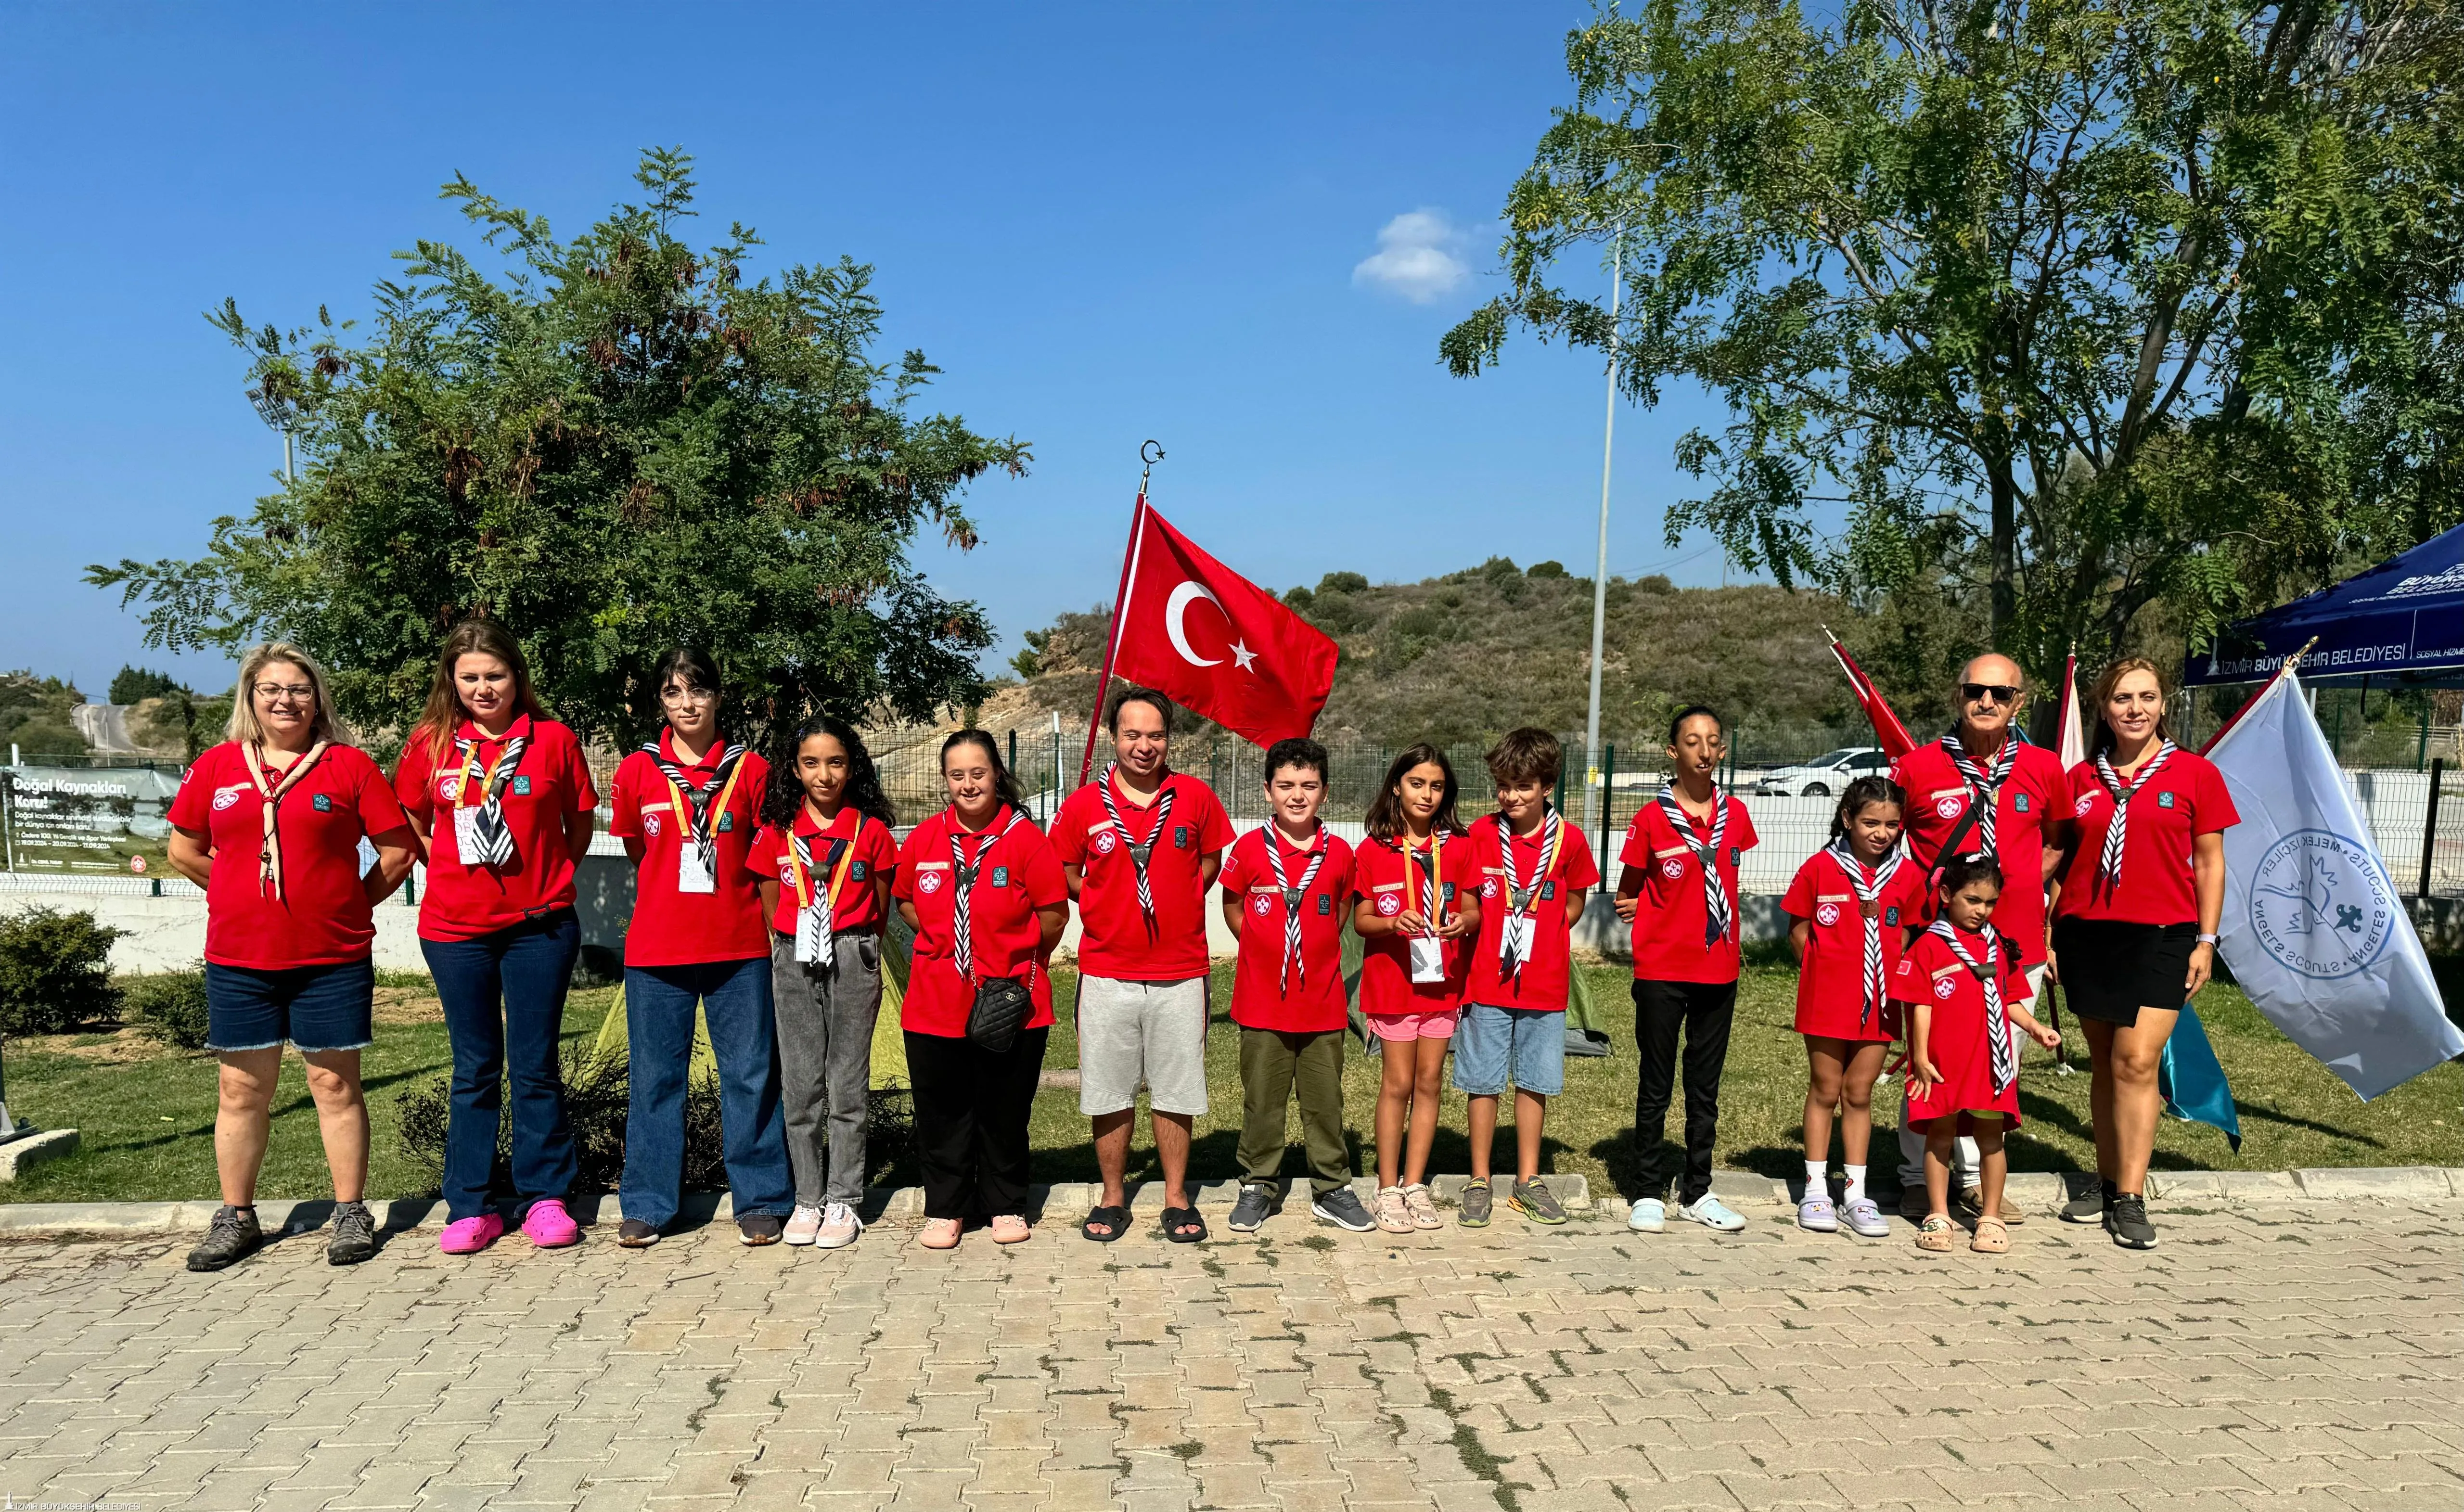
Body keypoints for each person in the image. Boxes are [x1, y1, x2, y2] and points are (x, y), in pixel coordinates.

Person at [167, 643, 419, 1272]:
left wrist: (347, 906)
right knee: (240, 1089)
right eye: (271, 689)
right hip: (240, 958)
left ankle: (351, 1211)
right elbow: (184, 850)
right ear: (250, 698)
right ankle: (237, 1216)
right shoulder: (217, 767)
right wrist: (238, 894)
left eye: (299, 689)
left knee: (334, 1083)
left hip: (329, 958)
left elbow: (398, 853)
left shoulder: (349, 767)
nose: (285, 700)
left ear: (318, 700)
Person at [393, 620, 599, 1256]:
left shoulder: (553, 740)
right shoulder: (430, 745)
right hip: (456, 932)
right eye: (471, 677)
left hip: (538, 927)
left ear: (518, 678)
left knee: (535, 1066)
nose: (484, 688)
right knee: (475, 1068)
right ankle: (472, 1206)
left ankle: (545, 1198)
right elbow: (412, 817)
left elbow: (579, 823)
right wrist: (449, 866)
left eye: (496, 675)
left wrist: (542, 876)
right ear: (452, 681)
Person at [2047, 657, 2236, 1250]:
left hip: (2164, 934)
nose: (2135, 709)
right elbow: (2057, 863)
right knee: (2104, 1064)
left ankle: (2130, 1196)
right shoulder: (2078, 779)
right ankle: (2106, 1182)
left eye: (2146, 697)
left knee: (2137, 1062)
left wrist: (2207, 940)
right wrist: (2047, 932)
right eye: (2122, 698)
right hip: (2084, 933)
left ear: (2162, 704)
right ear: (2103, 708)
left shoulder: (2194, 774)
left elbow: (2208, 862)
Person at [607, 649, 793, 1249]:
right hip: (657, 952)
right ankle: (649, 1203)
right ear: (660, 701)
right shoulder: (637, 770)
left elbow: (765, 861)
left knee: (749, 1075)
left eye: (698, 691)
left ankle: (760, 1198)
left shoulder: (754, 771)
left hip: (738, 948)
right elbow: (641, 852)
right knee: (657, 1080)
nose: (686, 704)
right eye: (672, 692)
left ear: (718, 696)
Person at [1886, 653, 2069, 1221]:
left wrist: (2010, 888)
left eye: (1999, 692)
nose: (1985, 701)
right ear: (1956, 695)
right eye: (1974, 690)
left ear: (2019, 702)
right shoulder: (1916, 768)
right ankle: (1918, 1174)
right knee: (1933, 1060)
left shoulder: (2043, 768)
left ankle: (1971, 1176)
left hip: (2011, 948)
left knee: (1995, 1062)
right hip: (1936, 947)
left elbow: (2059, 841)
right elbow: (1890, 847)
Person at [1052, 688, 1233, 1244]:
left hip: (1180, 972)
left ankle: (1176, 1198)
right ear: (1113, 737)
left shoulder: (1194, 796)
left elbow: (1209, 861)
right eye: (1132, 734)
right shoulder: (1084, 804)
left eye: (1155, 735)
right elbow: (1066, 871)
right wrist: (1109, 904)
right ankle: (1113, 1196)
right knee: (1108, 1089)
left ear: (1168, 739)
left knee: (1177, 1089)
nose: (1144, 745)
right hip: (1106, 971)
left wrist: (1172, 900)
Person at [894, 730, 1069, 1250]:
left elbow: (1054, 914)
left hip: (1009, 1002)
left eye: (978, 772)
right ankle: (945, 1207)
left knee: (1003, 1110)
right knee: (941, 1111)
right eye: (957, 775)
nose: (968, 784)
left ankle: (1005, 1203)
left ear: (996, 774)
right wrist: (937, 934)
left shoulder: (1025, 840)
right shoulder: (925, 839)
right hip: (934, 1002)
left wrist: (1017, 953)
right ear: (945, 780)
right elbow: (904, 899)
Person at [748, 715, 899, 1250]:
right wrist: (792, 940)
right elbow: (771, 898)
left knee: (847, 1082)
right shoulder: (776, 832)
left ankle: (844, 1198)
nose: (824, 774)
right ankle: (807, 1198)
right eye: (811, 763)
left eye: (835, 762)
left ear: (851, 766)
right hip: (792, 954)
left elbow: (880, 906)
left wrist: (852, 942)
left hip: (852, 950)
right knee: (801, 1083)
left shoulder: (870, 831)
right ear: (794, 768)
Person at [1222, 738, 1371, 1234]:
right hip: (1262, 1001)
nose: (1296, 795)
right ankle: (1257, 1182)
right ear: (1267, 790)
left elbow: (1342, 910)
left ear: (1324, 792)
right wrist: (1266, 948)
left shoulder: (1340, 854)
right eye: (1285, 785)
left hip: (1322, 1003)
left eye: (1308, 786)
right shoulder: (1247, 850)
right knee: (1262, 1099)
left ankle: (1331, 1186)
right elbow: (1232, 906)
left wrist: (1311, 948)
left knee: (1324, 1100)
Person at [1618, 705, 1758, 1235]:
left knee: (1704, 1085)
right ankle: (1647, 1188)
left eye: (1713, 741)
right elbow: (1627, 892)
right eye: (1692, 742)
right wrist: (1650, 910)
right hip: (1661, 969)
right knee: (1655, 1081)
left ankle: (1697, 1190)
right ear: (1672, 753)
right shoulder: (1650, 818)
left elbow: (1725, 875)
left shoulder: (1736, 815)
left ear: (1722, 751)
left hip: (1718, 969)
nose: (1704, 751)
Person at [1455, 728, 1597, 1228]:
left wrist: (1545, 926)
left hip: (1544, 984)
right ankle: (1478, 1179)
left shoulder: (1570, 840)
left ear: (1546, 786)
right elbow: (1469, 898)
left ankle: (1526, 1180)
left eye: (1522, 786)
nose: (1510, 796)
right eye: (1502, 785)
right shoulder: (1478, 835)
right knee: (1482, 1081)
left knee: (1534, 1082)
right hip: (1486, 984)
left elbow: (1575, 899)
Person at [1894, 854, 2061, 1255]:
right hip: (1943, 1064)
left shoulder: (1999, 945)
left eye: (1989, 902)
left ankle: (1990, 1217)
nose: (1981, 910)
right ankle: (1938, 1213)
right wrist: (1919, 1056)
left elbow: (2011, 998)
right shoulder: (1929, 946)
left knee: (1991, 1138)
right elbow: (1921, 1006)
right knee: (1940, 1134)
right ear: (1947, 895)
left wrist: (2036, 1028)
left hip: (1991, 1066)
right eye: (1972, 900)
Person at [1781, 776, 1924, 1239]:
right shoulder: (1821, 868)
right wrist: (1826, 970)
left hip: (1881, 1005)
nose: (1881, 833)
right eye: (1870, 823)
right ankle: (1816, 1187)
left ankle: (1856, 1192)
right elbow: (1798, 930)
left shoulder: (1907, 876)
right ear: (1847, 819)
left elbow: (1906, 934)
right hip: (1826, 1000)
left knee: (1860, 1094)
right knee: (1825, 1088)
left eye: (1891, 824)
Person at [1351, 744, 1480, 1234]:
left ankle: (1414, 1184)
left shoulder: (1460, 846)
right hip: (1393, 987)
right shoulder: (1373, 849)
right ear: (1396, 787)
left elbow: (1473, 910)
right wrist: (1390, 920)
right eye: (1417, 784)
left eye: (1436, 786)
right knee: (1397, 1084)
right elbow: (1361, 921)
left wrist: (1460, 922)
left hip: (1442, 987)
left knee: (1429, 1084)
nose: (1427, 794)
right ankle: (1386, 1188)